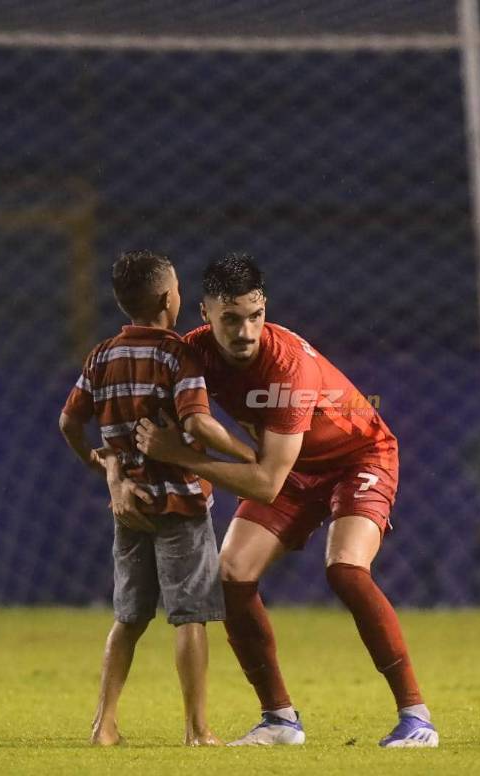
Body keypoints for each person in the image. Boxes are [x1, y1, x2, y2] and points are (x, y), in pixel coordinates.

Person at [130, 253, 438, 748]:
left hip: (358, 457)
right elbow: (171, 420)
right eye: (231, 319)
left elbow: (266, 484)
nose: (246, 332)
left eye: (255, 316)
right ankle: (279, 720)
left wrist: (183, 458)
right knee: (230, 577)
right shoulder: (194, 351)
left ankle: (417, 717)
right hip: (289, 466)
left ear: (265, 308)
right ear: (206, 314)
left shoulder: (287, 365)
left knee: (345, 569)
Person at [58, 249, 255, 747]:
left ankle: (103, 724)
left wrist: (100, 463)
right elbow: (198, 424)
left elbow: (69, 422)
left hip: (130, 506)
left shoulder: (101, 356)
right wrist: (249, 453)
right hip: (181, 503)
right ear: (169, 298)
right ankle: (197, 729)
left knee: (128, 617)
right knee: (191, 617)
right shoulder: (176, 354)